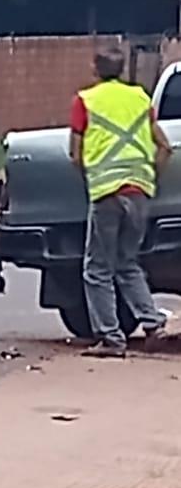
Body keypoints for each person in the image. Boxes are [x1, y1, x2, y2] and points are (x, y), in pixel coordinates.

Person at [69, 48, 171, 358]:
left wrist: (94, 178)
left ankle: (111, 338)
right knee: (127, 263)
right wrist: (148, 178)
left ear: (95, 69)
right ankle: (153, 324)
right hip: (139, 192)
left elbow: (76, 154)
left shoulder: (86, 100)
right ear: (122, 68)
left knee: (97, 269)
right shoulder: (140, 98)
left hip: (107, 194)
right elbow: (164, 147)